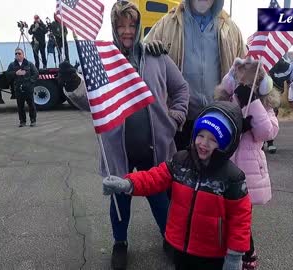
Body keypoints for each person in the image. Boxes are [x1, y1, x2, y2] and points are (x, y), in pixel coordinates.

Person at [102, 101, 252, 270]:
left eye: (213, 139)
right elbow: (154, 178)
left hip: (212, 252)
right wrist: (127, 183)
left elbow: (240, 219)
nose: (203, 143)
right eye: (200, 135)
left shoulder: (232, 177)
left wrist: (234, 256)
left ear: (225, 144)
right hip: (180, 246)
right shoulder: (180, 161)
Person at [100, 2, 189, 269]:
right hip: (119, 149)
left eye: (131, 25)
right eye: (121, 25)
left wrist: (174, 119)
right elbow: (89, 102)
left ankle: (170, 239)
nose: (127, 31)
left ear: (138, 27)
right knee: (120, 200)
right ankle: (120, 243)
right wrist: (72, 84)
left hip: (154, 146)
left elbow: (181, 89)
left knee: (160, 199)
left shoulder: (156, 56)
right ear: (114, 28)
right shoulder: (104, 60)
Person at [144, 0, 245, 151]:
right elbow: (142, 59)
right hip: (180, 122)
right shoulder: (167, 24)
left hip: (217, 120)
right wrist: (147, 49)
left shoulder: (230, 28)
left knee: (212, 173)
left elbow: (244, 70)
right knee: (179, 172)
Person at [215, 57, 279, 269]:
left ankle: (247, 252)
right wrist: (236, 123)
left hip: (249, 173)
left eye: (249, 85)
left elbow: (267, 132)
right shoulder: (226, 103)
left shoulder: (265, 109)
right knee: (224, 214)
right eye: (241, 83)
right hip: (226, 169)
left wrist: (253, 105)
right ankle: (224, 249)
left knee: (241, 219)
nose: (244, 88)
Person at [6, 48, 38, 127]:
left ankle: (33, 120)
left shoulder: (29, 64)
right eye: (16, 54)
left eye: (19, 53)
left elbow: (36, 73)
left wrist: (30, 82)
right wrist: (15, 73)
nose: (17, 55)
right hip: (18, 89)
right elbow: (7, 75)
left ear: (23, 55)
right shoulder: (12, 65)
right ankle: (22, 121)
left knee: (31, 105)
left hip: (28, 88)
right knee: (20, 106)